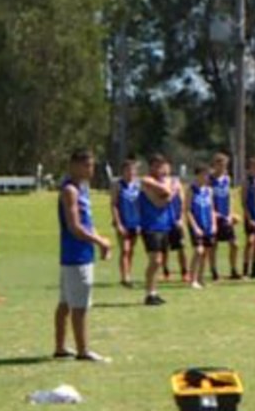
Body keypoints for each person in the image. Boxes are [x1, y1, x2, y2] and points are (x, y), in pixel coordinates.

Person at [56, 150, 114, 360]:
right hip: (76, 255)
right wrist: (100, 241)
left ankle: (60, 347)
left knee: (65, 303)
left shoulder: (83, 189)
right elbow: (75, 227)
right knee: (79, 306)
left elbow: (87, 222)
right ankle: (83, 350)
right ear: (74, 165)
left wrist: (99, 241)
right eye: (87, 165)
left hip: (82, 252)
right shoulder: (70, 191)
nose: (91, 170)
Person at [138, 155, 176, 306]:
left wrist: (167, 191)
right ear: (151, 167)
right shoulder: (146, 181)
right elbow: (159, 203)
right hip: (150, 225)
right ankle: (148, 293)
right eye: (157, 166)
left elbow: (166, 193)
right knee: (155, 260)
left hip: (164, 225)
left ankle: (154, 292)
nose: (160, 169)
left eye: (162, 166)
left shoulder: (164, 181)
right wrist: (170, 191)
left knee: (160, 262)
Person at [111, 160, 143, 288]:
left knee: (131, 250)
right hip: (123, 222)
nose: (131, 173)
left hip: (135, 223)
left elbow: (142, 205)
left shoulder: (138, 185)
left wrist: (141, 223)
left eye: (133, 170)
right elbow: (114, 205)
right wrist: (118, 223)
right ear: (123, 171)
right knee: (125, 249)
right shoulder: (118, 185)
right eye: (128, 170)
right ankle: (125, 278)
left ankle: (128, 273)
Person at [187, 166, 219, 290]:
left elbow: (212, 209)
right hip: (196, 224)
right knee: (198, 250)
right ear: (199, 174)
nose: (207, 178)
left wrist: (214, 224)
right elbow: (187, 210)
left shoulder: (209, 190)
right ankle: (192, 279)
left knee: (205, 252)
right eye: (205, 175)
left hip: (207, 224)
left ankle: (200, 278)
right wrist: (195, 227)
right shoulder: (191, 189)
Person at [209, 154, 239, 281]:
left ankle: (233, 270)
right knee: (213, 245)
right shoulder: (210, 179)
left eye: (224, 165)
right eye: (220, 164)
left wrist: (231, 213)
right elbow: (207, 198)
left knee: (234, 244)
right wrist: (213, 213)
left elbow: (229, 196)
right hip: (214, 216)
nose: (222, 167)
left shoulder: (227, 178)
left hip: (226, 216)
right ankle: (214, 271)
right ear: (215, 165)